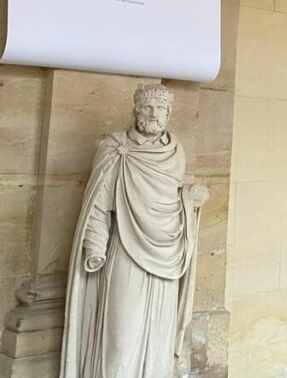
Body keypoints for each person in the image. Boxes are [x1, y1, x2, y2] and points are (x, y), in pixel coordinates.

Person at [61, 84, 207, 378]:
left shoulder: (175, 151)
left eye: (160, 109)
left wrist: (192, 197)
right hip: (126, 253)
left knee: (158, 338)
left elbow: (172, 197)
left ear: (168, 113)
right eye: (148, 108)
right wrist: (95, 247)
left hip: (167, 257)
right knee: (121, 339)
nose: (154, 114)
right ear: (136, 110)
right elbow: (99, 205)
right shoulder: (116, 149)